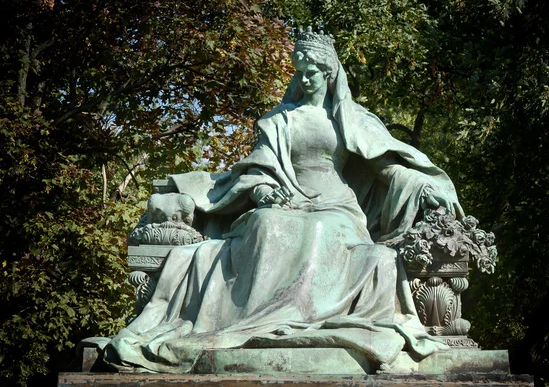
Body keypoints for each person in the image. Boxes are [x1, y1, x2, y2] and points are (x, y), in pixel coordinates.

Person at [104, 28, 464, 373]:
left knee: (324, 229)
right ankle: (255, 317)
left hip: (336, 206)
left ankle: (299, 312)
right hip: (286, 200)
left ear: (328, 74)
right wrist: (261, 191)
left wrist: (425, 187)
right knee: (266, 225)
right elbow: (257, 169)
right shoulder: (278, 121)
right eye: (300, 72)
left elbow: (390, 168)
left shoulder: (351, 120)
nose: (304, 80)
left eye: (312, 73)